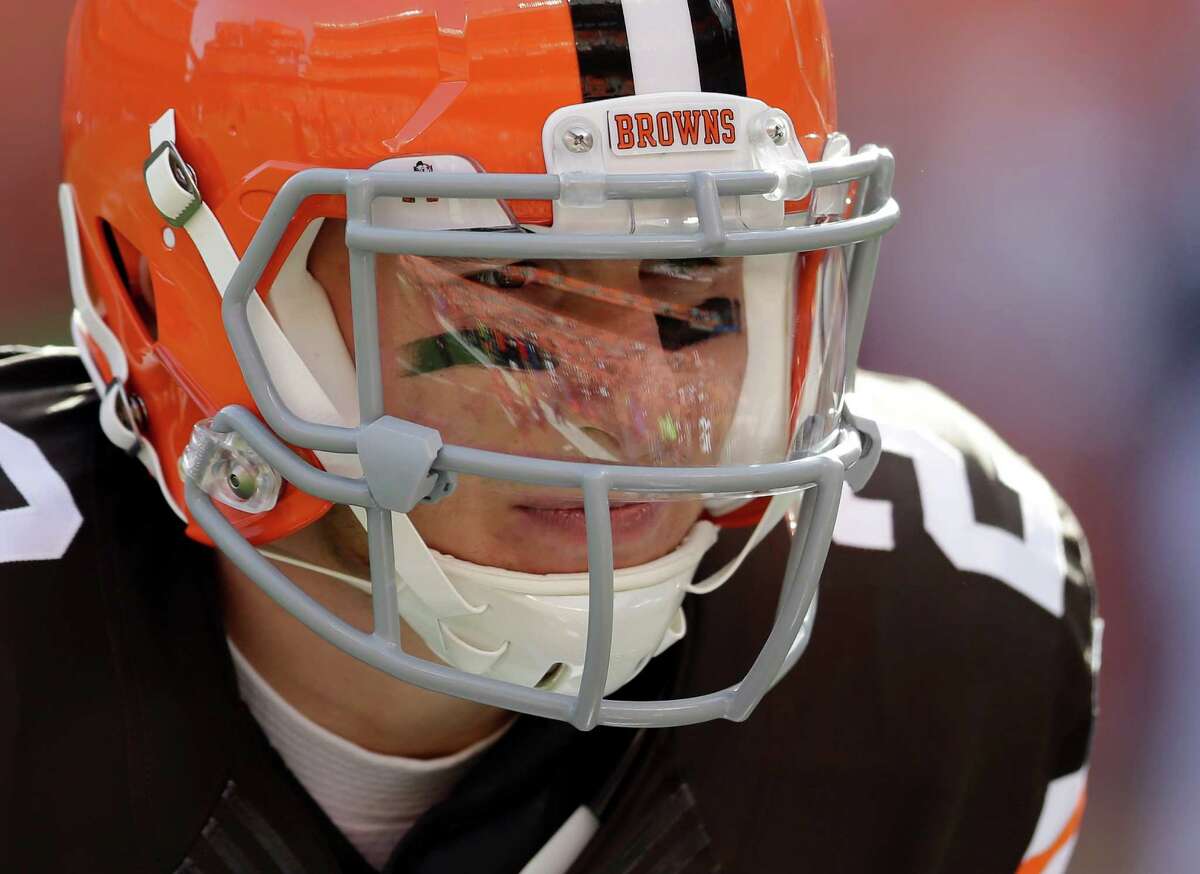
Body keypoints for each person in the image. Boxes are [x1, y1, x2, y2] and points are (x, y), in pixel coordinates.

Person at [0, 0, 1099, 871]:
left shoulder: (938, 651)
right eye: (508, 279)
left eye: (697, 277)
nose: (635, 408)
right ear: (169, 289)